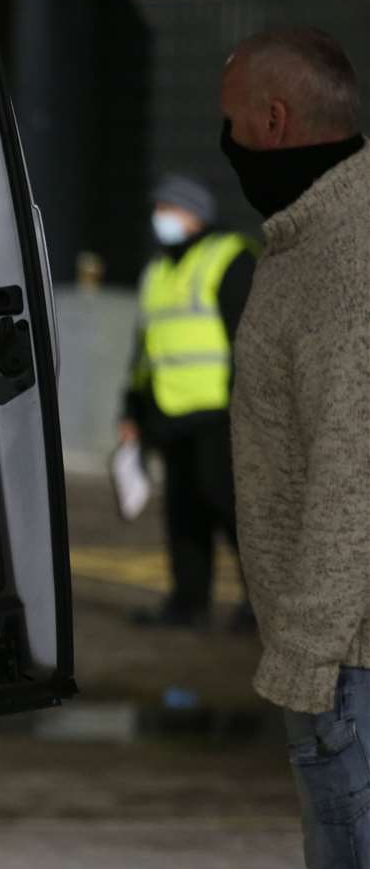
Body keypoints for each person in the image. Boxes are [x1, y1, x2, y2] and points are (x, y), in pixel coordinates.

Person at [221, 26, 370, 869]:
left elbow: (353, 475)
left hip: (350, 661)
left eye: (229, 121)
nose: (222, 142)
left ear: (274, 124)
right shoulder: (318, 238)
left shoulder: (341, 258)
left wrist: (305, 660)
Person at [119, 173, 257, 630]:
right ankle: (188, 603)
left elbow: (251, 338)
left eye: (170, 209)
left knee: (234, 509)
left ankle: (262, 608)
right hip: (169, 413)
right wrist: (132, 412)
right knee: (184, 515)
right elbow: (142, 353)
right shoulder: (156, 272)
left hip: (221, 413)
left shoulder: (230, 259)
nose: (162, 218)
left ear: (195, 215)